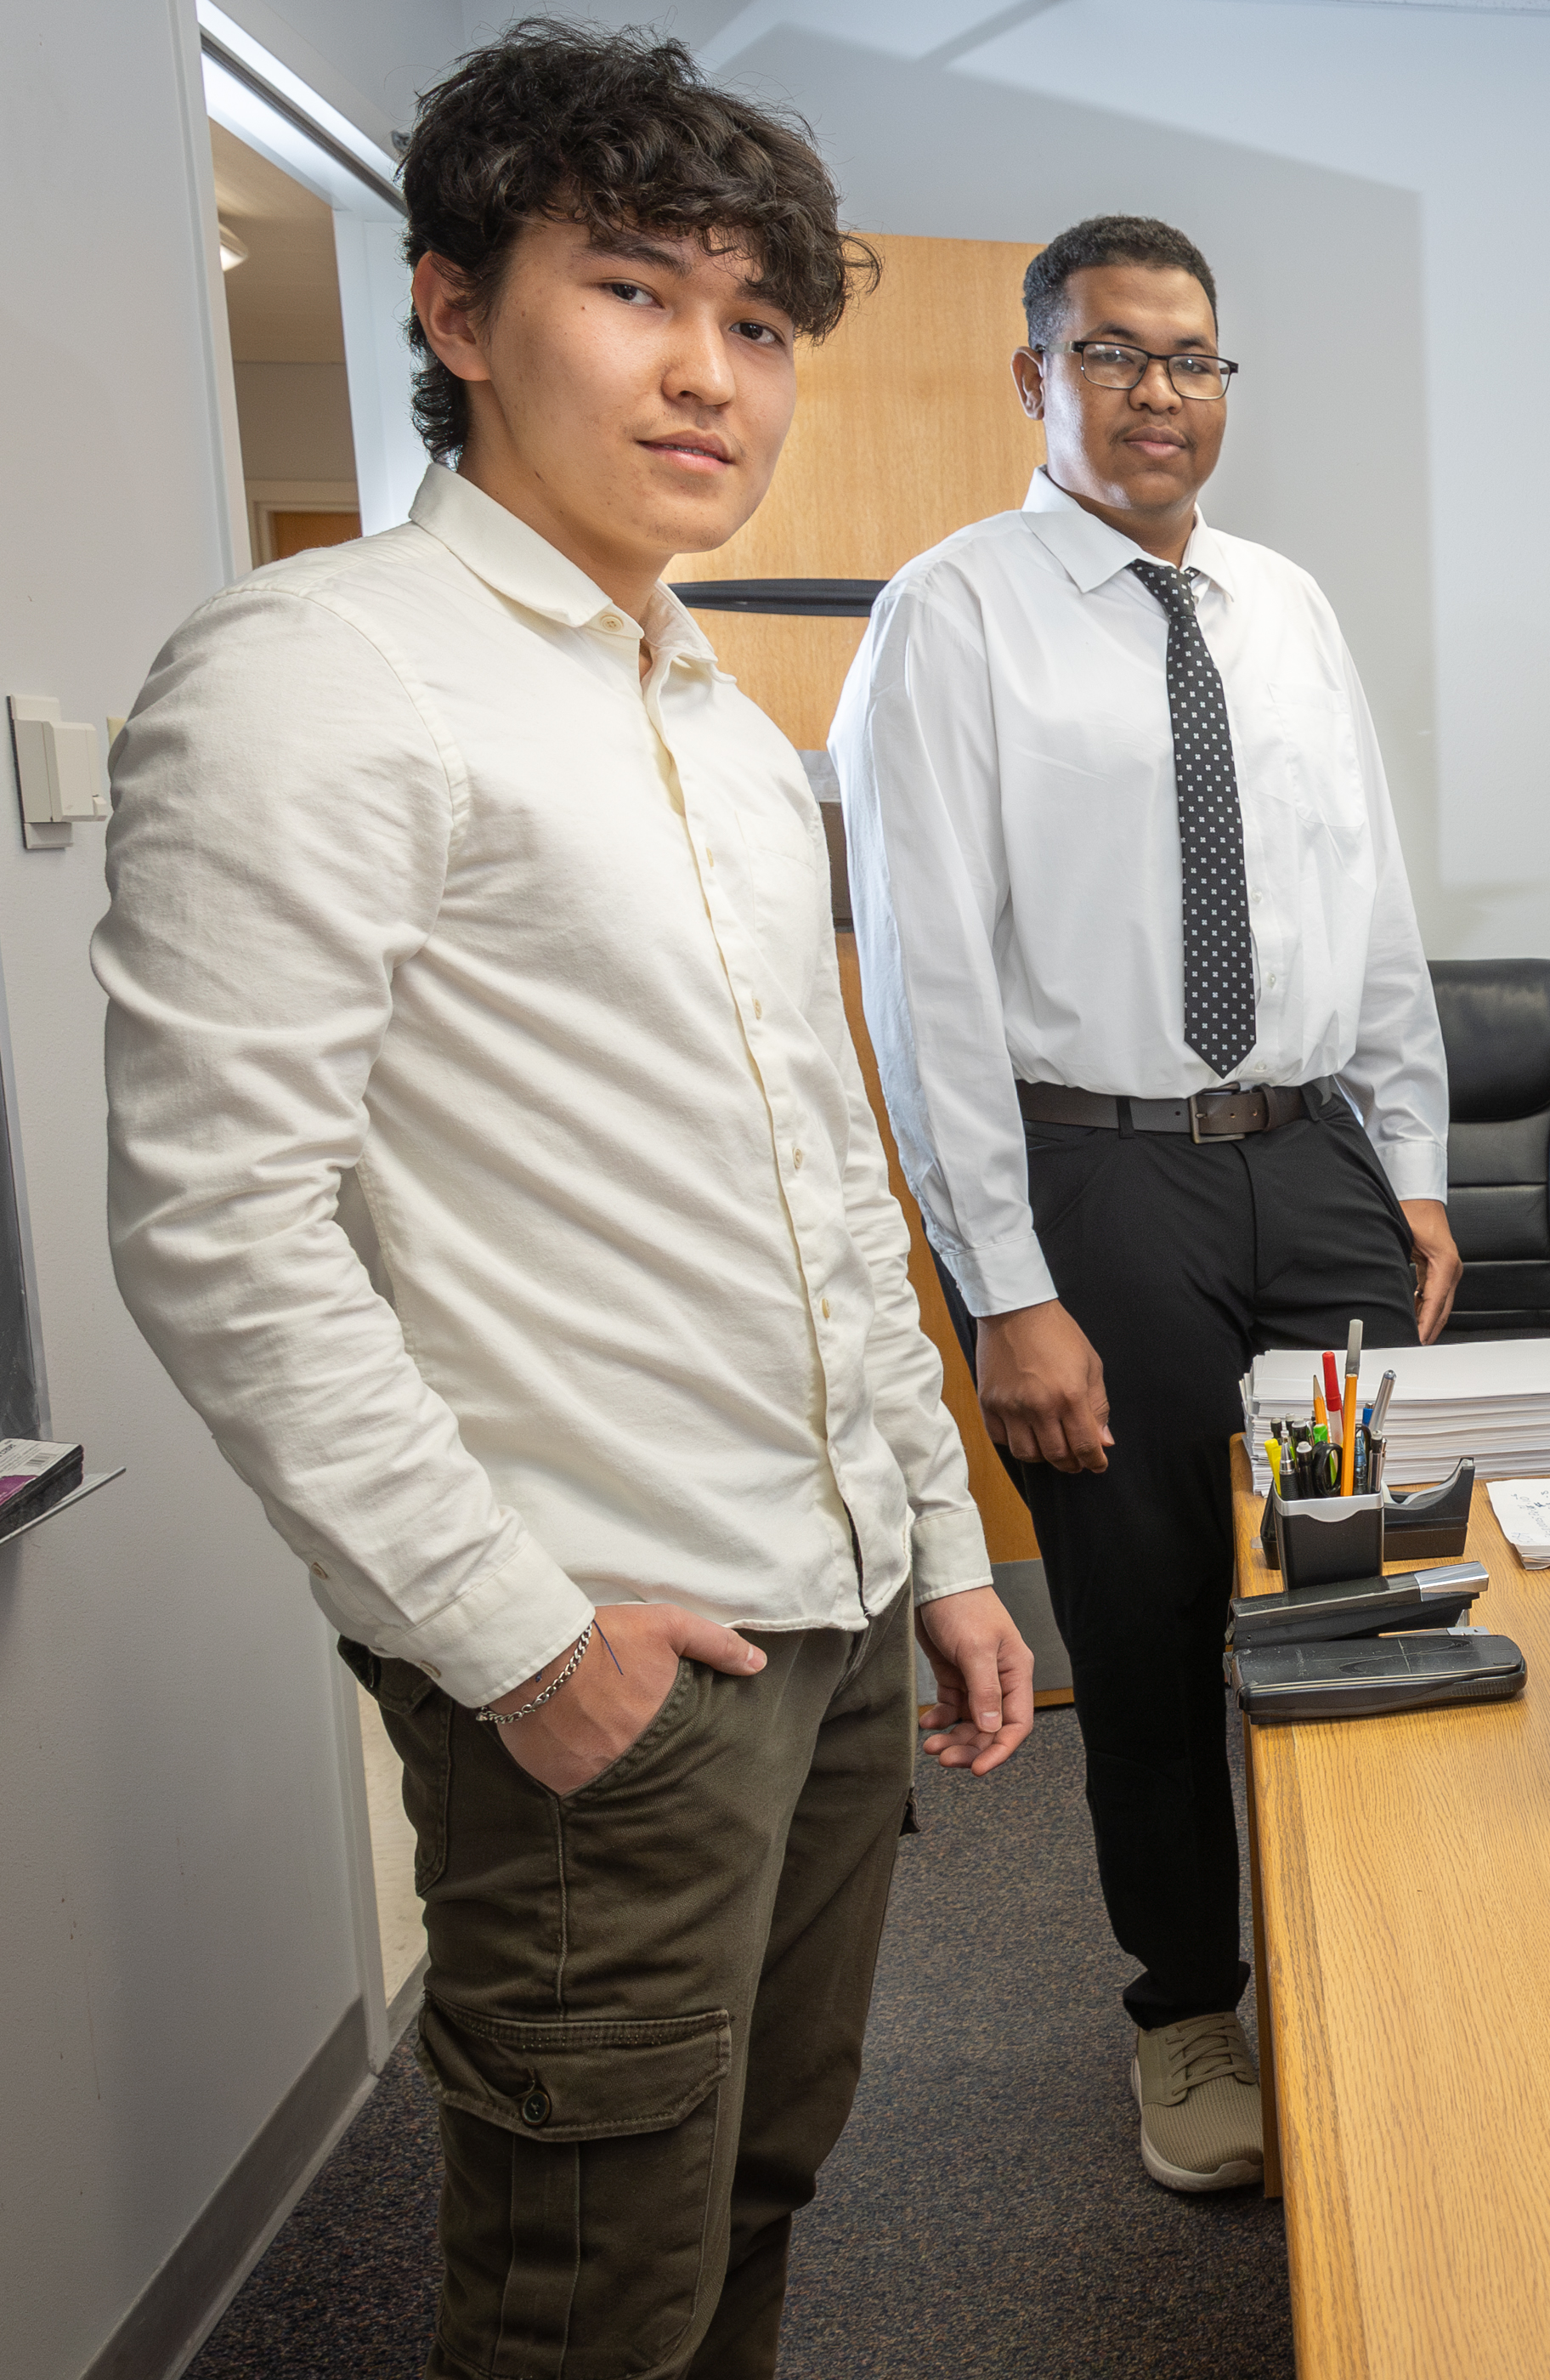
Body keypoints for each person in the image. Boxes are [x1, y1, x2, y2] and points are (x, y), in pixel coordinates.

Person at [99, 27, 1033, 2376]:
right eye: (635, 290)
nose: (711, 374)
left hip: (821, 1626)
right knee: (580, 2299)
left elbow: (827, 1182)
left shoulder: (724, 730)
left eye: (759, 324)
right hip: (607, 1652)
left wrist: (939, 1544)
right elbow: (222, 1227)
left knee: (763, 2183)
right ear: (450, 310)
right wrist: (509, 1631)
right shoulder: (319, 682)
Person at [835, 214, 1454, 2194]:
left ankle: (1389, 1964)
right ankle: (1189, 2008)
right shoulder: (950, 615)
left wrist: (1414, 1164)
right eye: (1116, 356)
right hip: (1097, 1179)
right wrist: (999, 1286)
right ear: (1037, 377)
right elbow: (920, 974)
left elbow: (1367, 902)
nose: (1163, 396)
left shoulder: (1283, 605)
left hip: (1313, 1165)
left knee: (1380, 1579)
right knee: (1156, 1607)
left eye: (1193, 361)